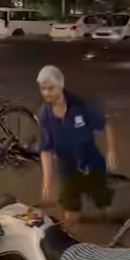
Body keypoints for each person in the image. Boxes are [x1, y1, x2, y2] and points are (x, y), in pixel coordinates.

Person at [37, 65, 117, 225]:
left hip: (91, 160)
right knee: (71, 216)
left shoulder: (81, 106)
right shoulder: (45, 115)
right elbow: (45, 149)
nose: (46, 93)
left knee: (104, 209)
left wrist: (111, 151)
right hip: (66, 165)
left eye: (51, 88)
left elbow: (105, 124)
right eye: (43, 89)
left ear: (61, 85)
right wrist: (47, 180)